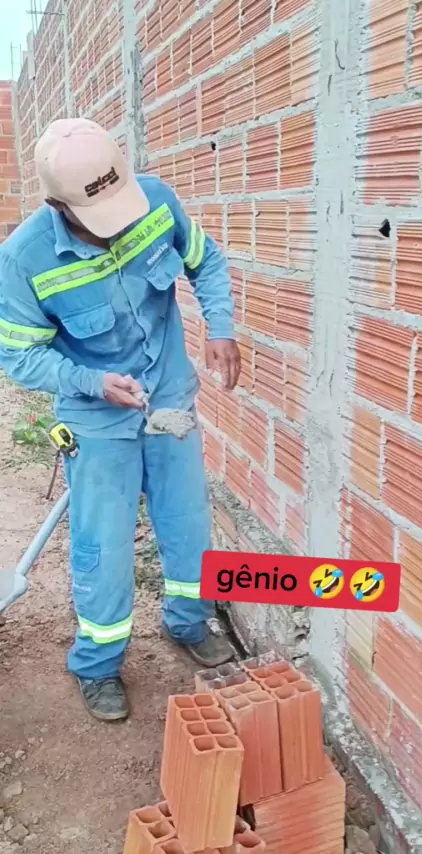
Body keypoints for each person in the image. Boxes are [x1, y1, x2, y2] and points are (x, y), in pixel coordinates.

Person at [0, 117, 241, 722]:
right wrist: (92, 382)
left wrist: (221, 326)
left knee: (187, 521)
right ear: (58, 205)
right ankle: (98, 663)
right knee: (103, 546)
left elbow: (206, 261)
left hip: (169, 397)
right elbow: (19, 355)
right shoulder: (24, 260)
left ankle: (189, 623)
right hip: (96, 420)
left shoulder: (153, 200)